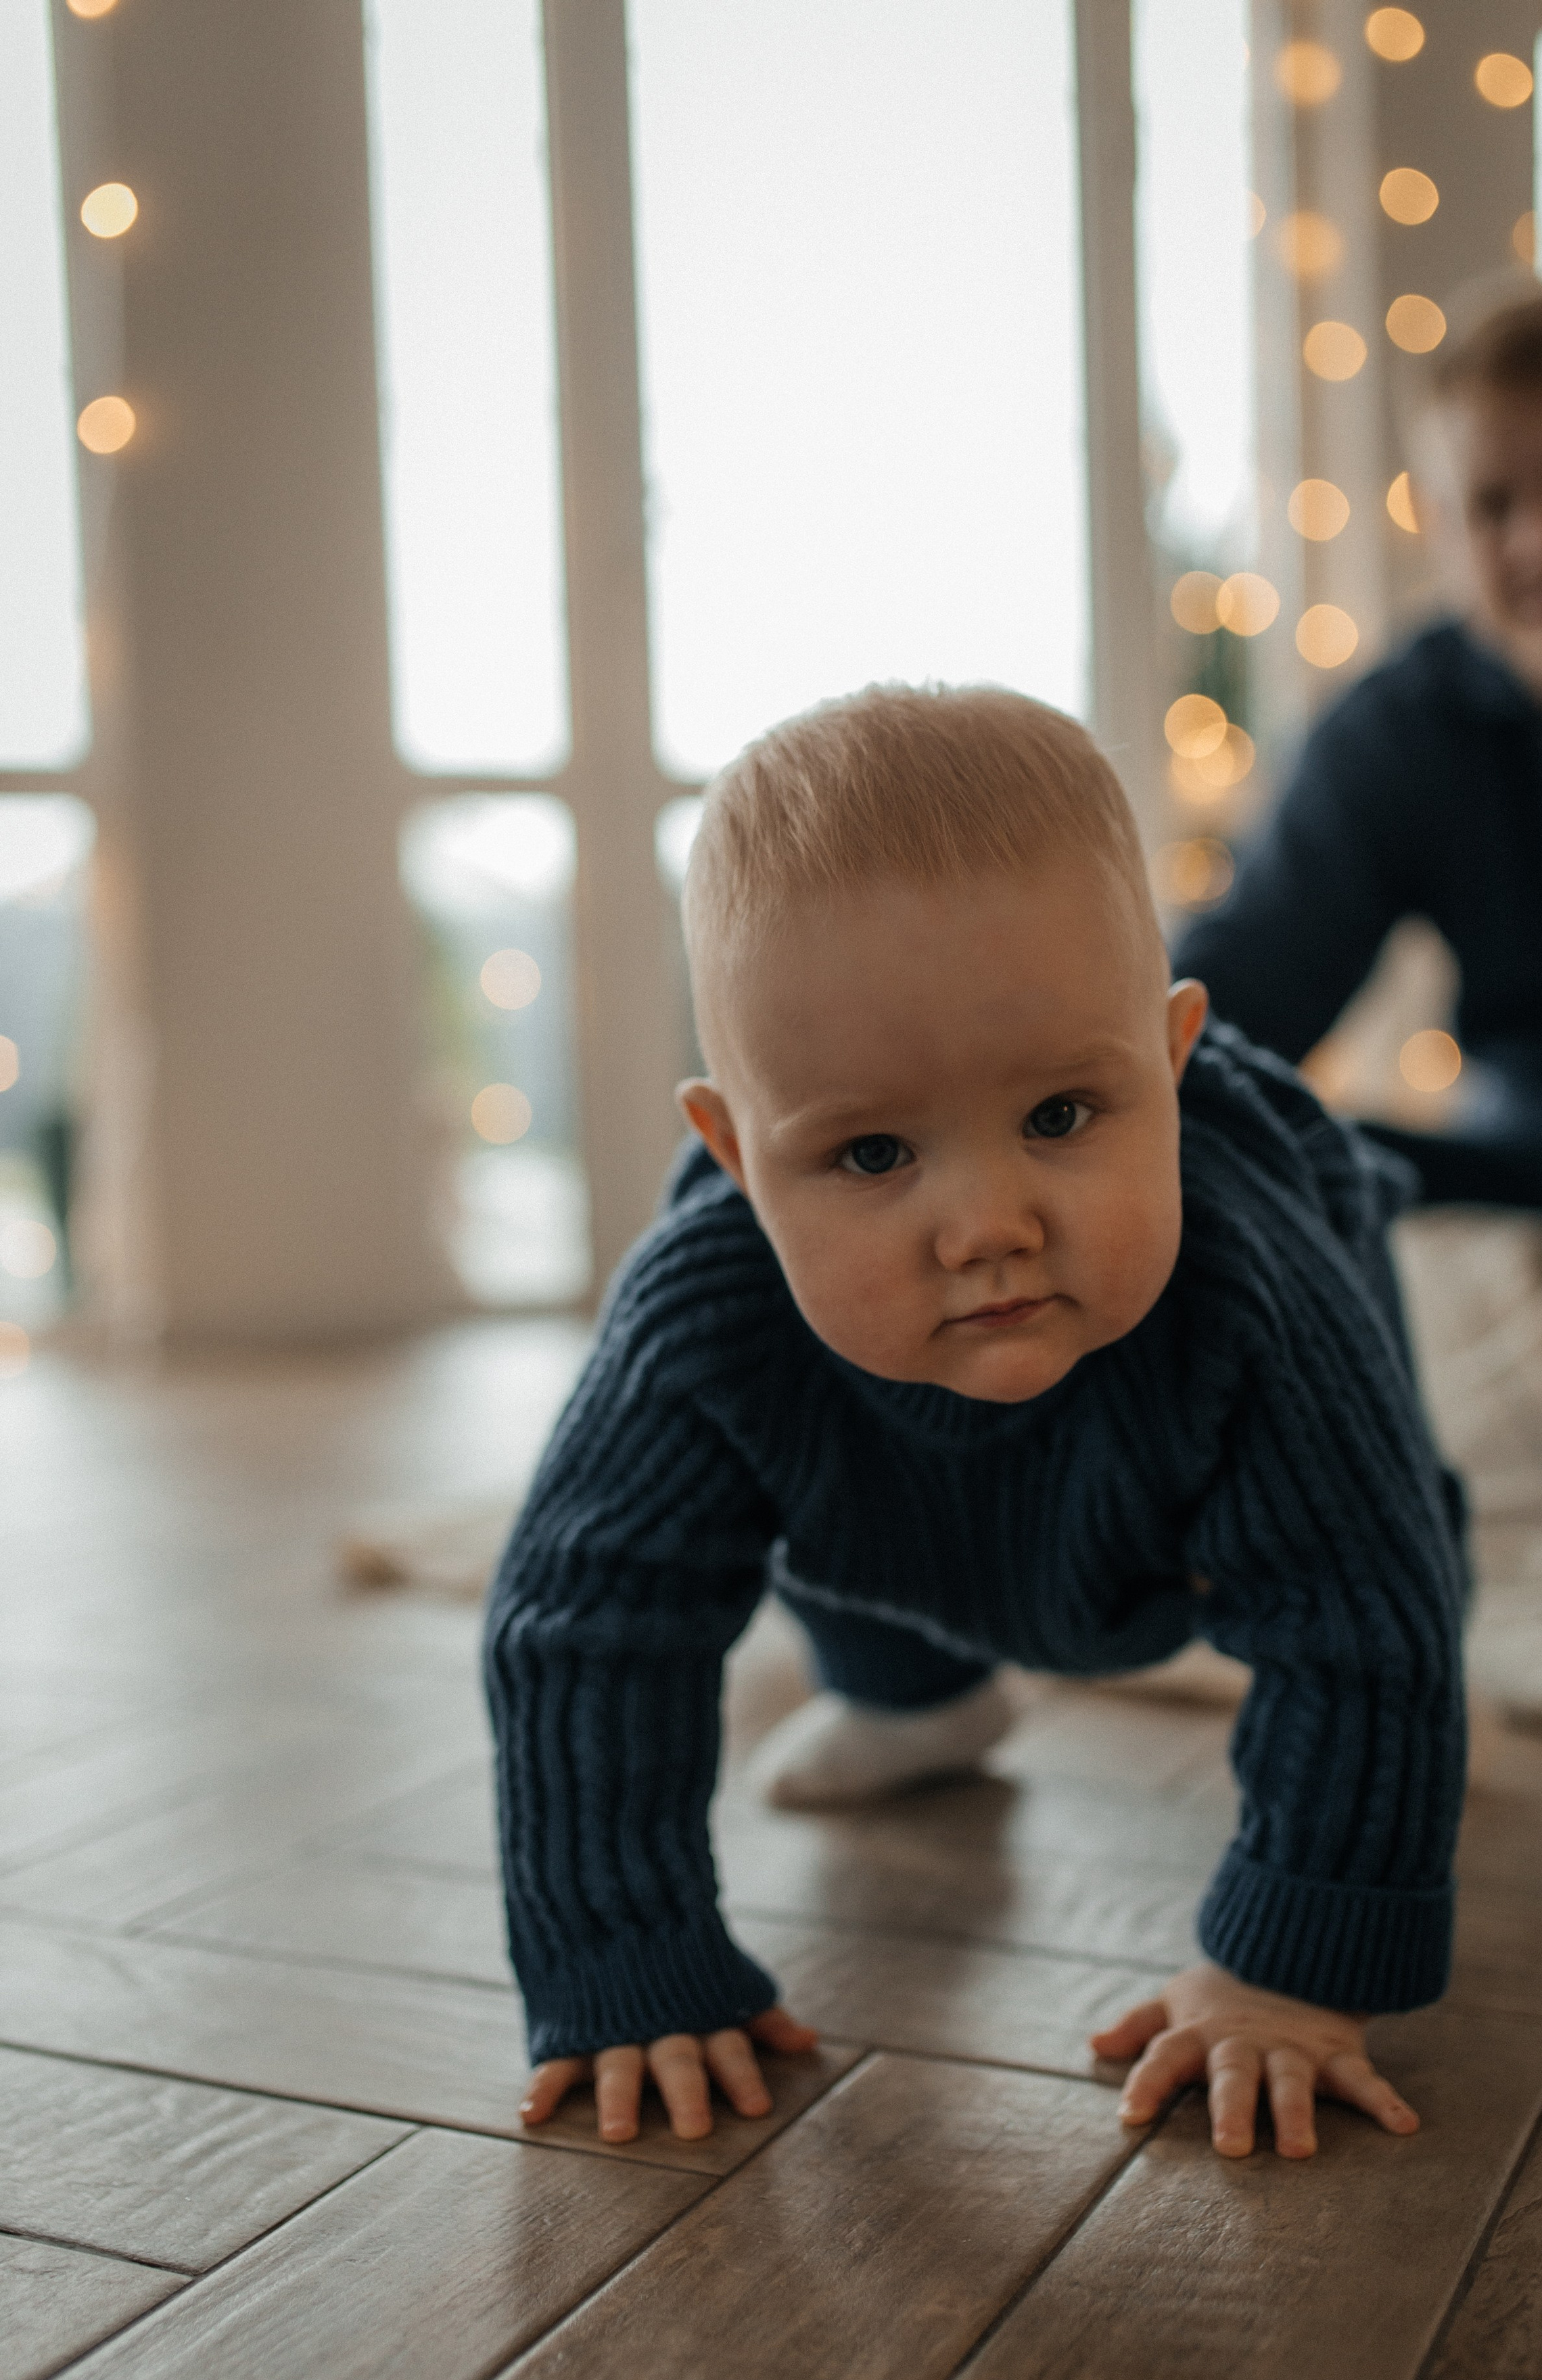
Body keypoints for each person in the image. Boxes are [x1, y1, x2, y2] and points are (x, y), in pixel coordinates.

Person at [486, 684, 1466, 2166]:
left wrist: (1289, 1969)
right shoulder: (706, 1316)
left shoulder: (1252, 1289)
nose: (988, 1225)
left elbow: (1362, 1625)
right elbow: (584, 1625)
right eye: (873, 1151)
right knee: (828, 1477)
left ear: (1170, 1062)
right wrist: (621, 1959)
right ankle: (911, 1694)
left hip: (1211, 1479)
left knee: (1401, 1564)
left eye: (1062, 1116)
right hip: (875, 1499)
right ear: (736, 1155)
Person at [1176, 287, 1542, 1545]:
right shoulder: (1397, 731)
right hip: (1536, 1161)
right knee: (1295, 1153)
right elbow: (1242, 988)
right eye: (1493, 505)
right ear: (1438, 518)